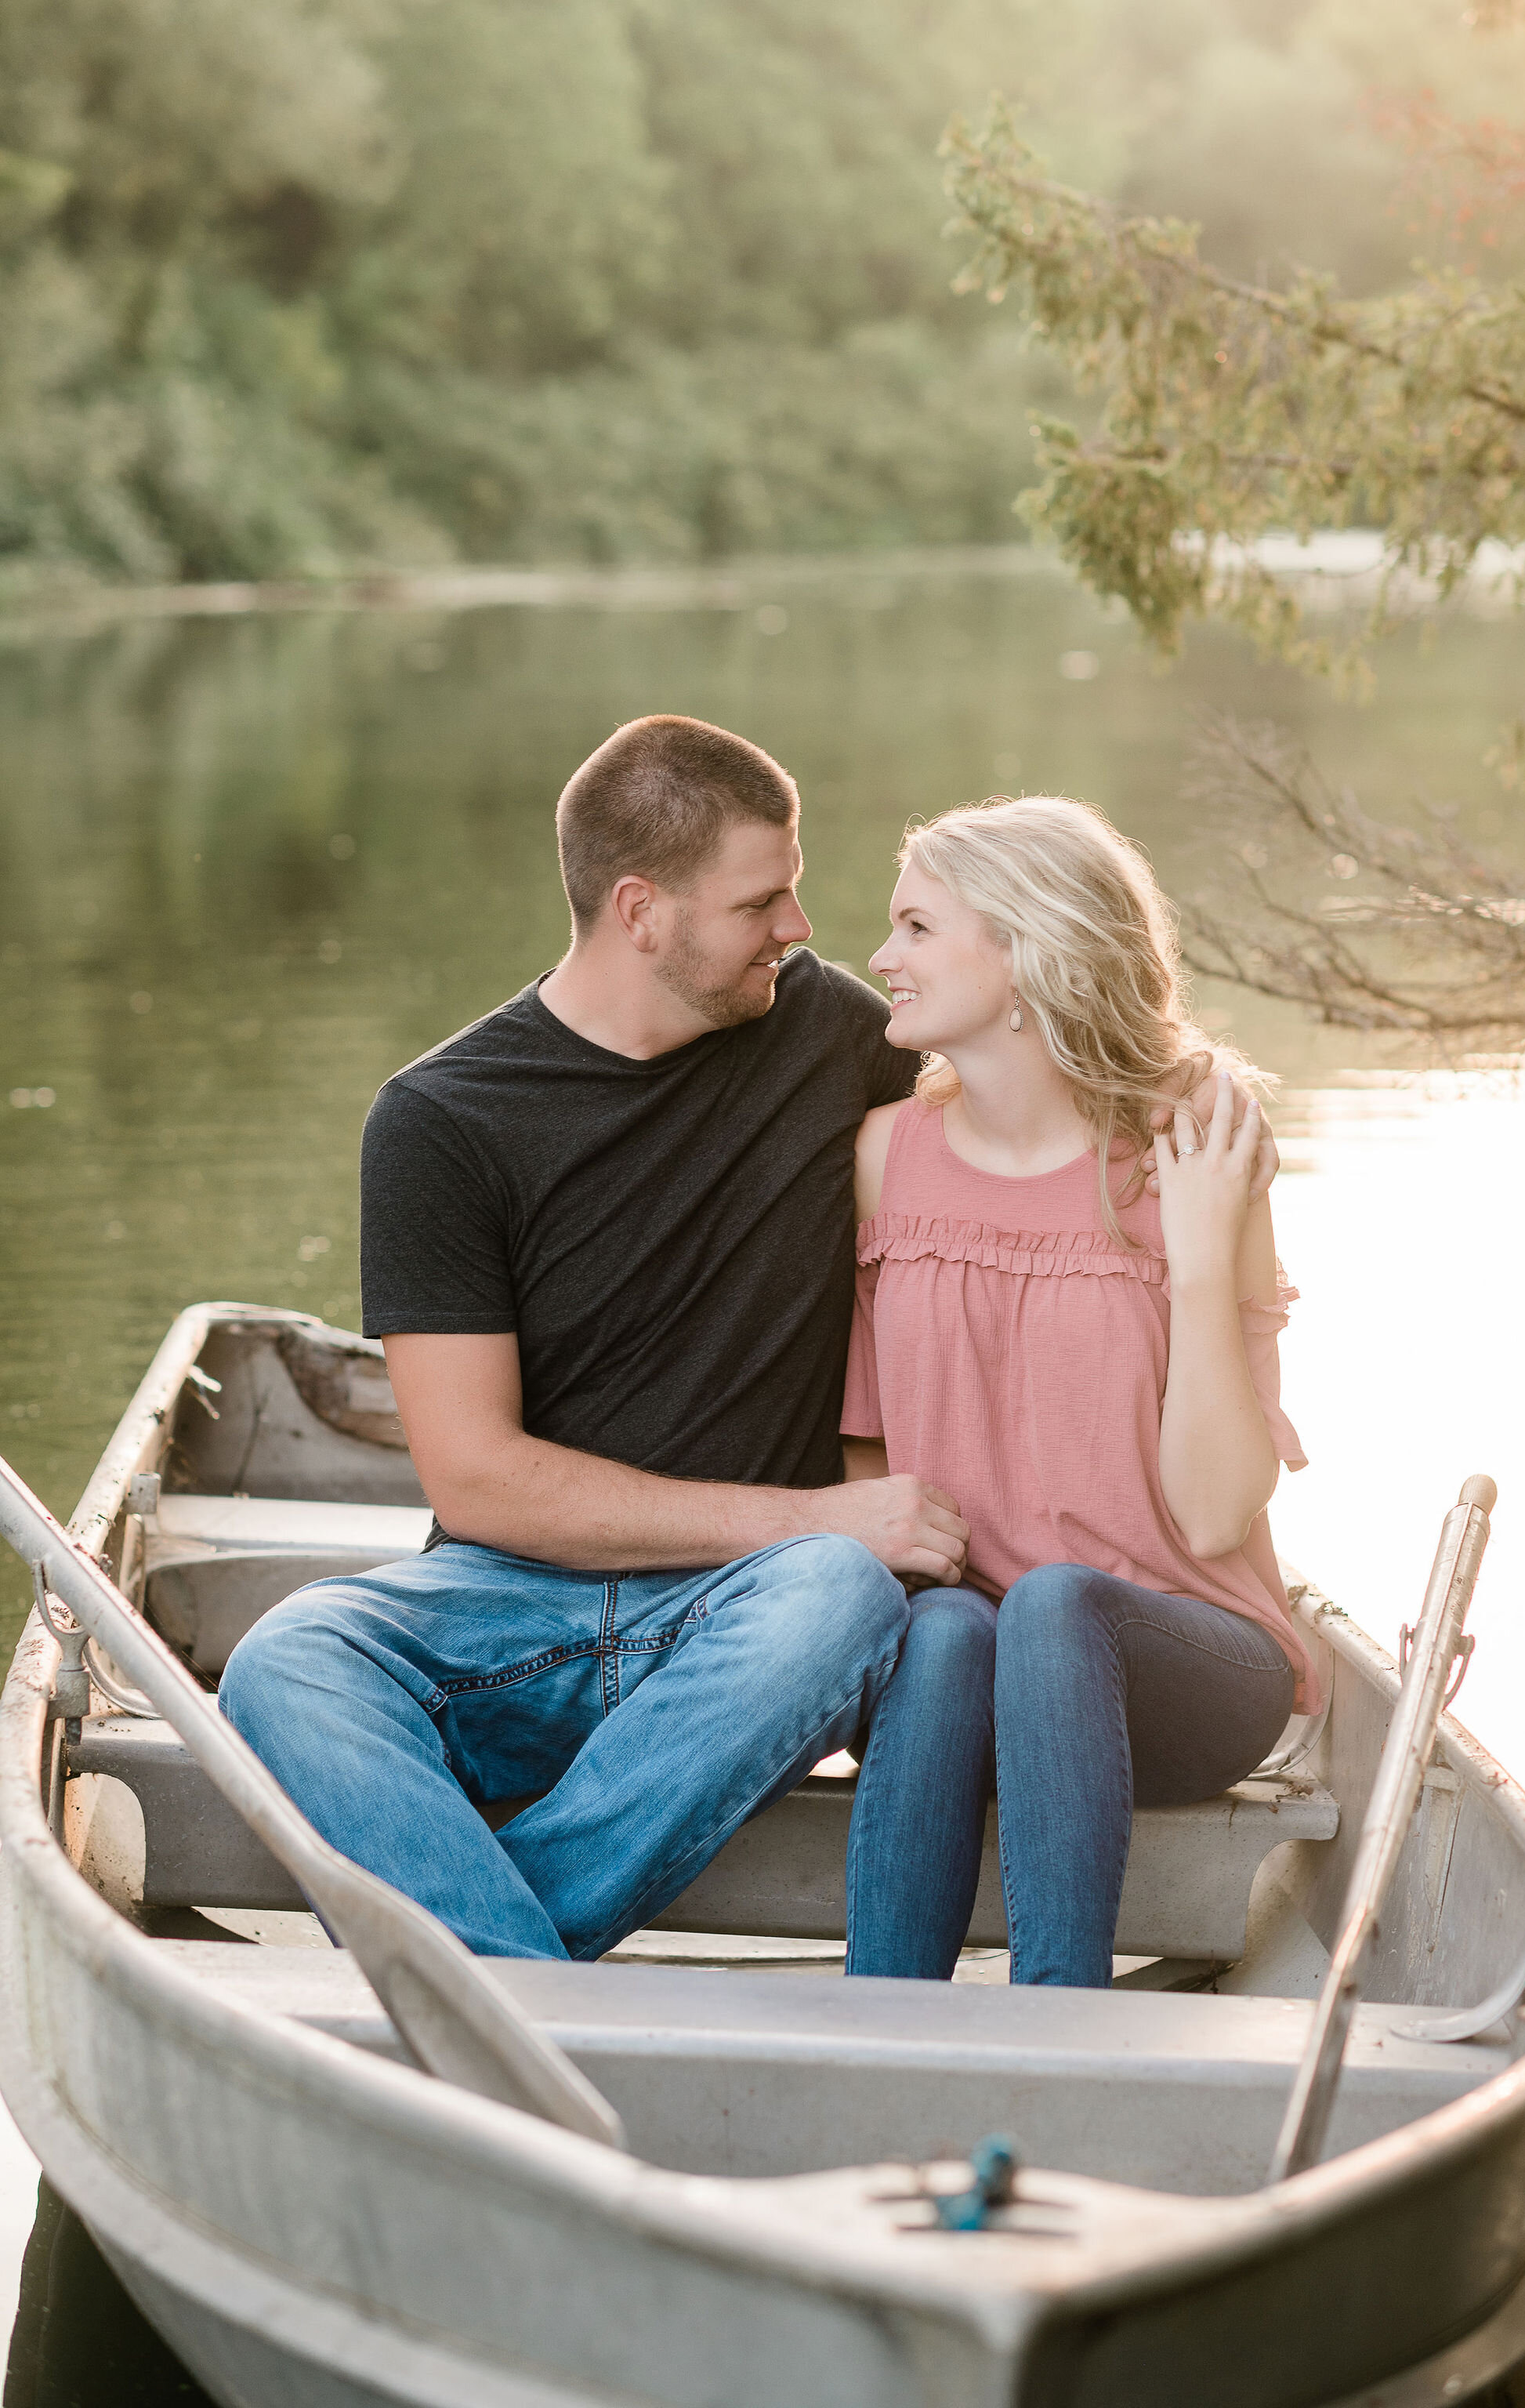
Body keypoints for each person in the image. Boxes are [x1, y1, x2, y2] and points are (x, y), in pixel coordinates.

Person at [220, 715, 971, 1960]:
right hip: (505, 1607)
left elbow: (1034, 1107)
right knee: (286, 1659)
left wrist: (1188, 1099)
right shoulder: (441, 1121)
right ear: (641, 911)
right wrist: (809, 1516)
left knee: (847, 1594)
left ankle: (489, 1982)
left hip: (755, 1628)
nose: (799, 926)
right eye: (762, 900)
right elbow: (476, 1479)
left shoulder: (836, 1038)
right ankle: (531, 1984)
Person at [839, 794, 1317, 1989]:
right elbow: (872, 1464)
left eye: (915, 927)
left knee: (1053, 1604)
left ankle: (1063, 2023)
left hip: (1190, 1670)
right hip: (974, 1689)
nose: (881, 960)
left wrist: (1201, 1262)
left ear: (1022, 951)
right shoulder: (886, 1156)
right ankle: (873, 2034)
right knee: (947, 1626)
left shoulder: (1188, 1157)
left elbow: (1212, 1519)